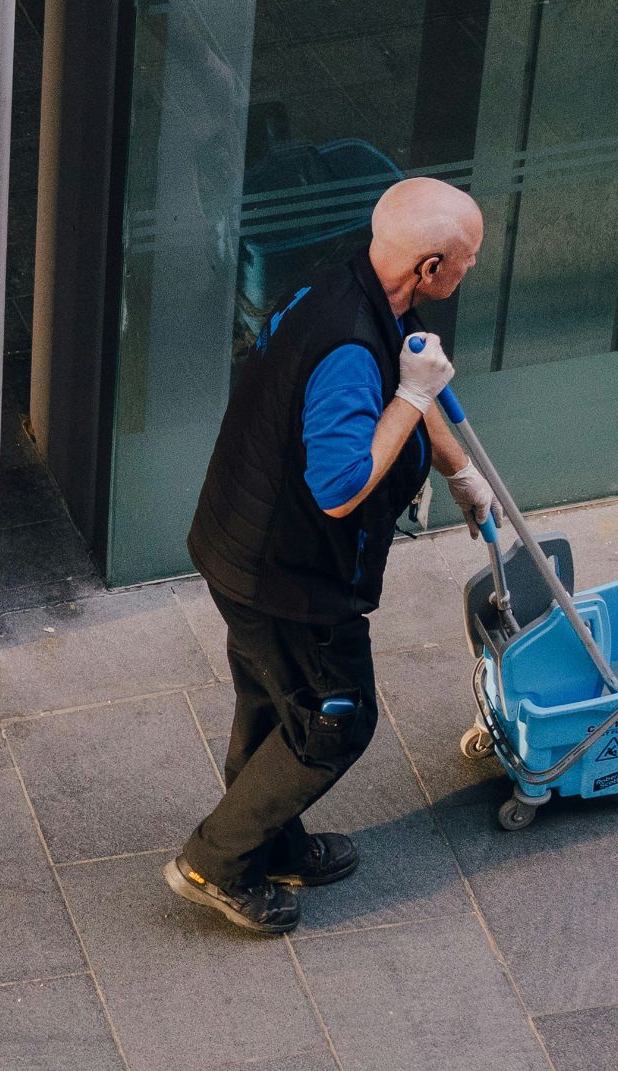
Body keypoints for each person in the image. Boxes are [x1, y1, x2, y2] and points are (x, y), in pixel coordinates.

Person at [168, 177, 496, 934]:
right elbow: (341, 490)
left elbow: (417, 376)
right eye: (466, 259)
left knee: (271, 700)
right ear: (428, 266)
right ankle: (214, 861)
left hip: (241, 544)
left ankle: (270, 840)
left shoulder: (341, 285)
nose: (470, 270)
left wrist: (461, 472)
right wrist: (412, 401)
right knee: (331, 722)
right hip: (292, 579)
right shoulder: (351, 347)